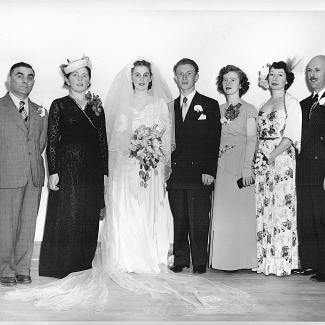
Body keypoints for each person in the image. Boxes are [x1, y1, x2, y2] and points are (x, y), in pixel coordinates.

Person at [3, 58, 264, 316]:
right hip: (125, 168)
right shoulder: (107, 103)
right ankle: (122, 259)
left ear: (151, 77)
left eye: (144, 75)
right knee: (114, 212)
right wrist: (120, 159)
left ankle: (149, 259)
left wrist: (154, 156)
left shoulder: (161, 103)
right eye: (136, 74)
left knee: (147, 212)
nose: (141, 79)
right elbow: (112, 140)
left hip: (150, 168)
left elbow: (163, 137)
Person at [38, 55, 108, 278]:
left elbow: (103, 142)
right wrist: (53, 171)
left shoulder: (97, 107)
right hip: (67, 169)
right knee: (67, 214)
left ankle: (82, 265)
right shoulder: (59, 105)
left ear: (89, 80)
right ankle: (60, 266)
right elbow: (52, 139)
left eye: (84, 75)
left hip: (92, 171)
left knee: (87, 215)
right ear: (67, 80)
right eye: (75, 75)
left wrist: (105, 174)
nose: (80, 79)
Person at [167, 58, 221, 274]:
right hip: (177, 172)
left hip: (200, 172)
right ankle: (180, 259)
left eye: (189, 73)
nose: (184, 77)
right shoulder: (169, 107)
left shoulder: (209, 104)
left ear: (196, 77)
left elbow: (213, 140)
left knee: (198, 219)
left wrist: (209, 170)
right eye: (180, 73)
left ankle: (199, 261)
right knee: (179, 217)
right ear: (175, 78)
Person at [0, 62, 48, 286]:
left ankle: (23, 267)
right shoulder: (1, 107)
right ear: (9, 80)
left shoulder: (40, 111)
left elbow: (40, 144)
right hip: (7, 172)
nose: (25, 81)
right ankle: (5, 268)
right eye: (19, 76)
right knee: (6, 225)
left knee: (28, 223)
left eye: (30, 77)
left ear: (33, 82)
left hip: (34, 175)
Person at [254, 60, 302, 276]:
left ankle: (281, 262)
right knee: (264, 206)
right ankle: (265, 261)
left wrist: (271, 156)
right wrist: (259, 157)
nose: (274, 78)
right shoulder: (262, 104)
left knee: (281, 207)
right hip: (263, 160)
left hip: (281, 159)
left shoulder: (291, 103)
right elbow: (257, 134)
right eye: (272, 74)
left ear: (287, 79)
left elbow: (291, 135)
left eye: (279, 74)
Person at [209, 65, 258, 271]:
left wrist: (247, 168)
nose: (228, 83)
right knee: (223, 212)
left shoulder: (249, 109)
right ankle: (222, 261)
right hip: (221, 164)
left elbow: (251, 140)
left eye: (233, 80)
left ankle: (242, 261)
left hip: (240, 165)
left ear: (241, 84)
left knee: (240, 212)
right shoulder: (217, 109)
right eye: (225, 80)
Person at [295, 55, 325, 282]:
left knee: (322, 220)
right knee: (306, 219)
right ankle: (311, 264)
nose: (312, 75)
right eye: (309, 71)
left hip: (322, 171)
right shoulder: (303, 104)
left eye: (317, 70)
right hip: (304, 170)